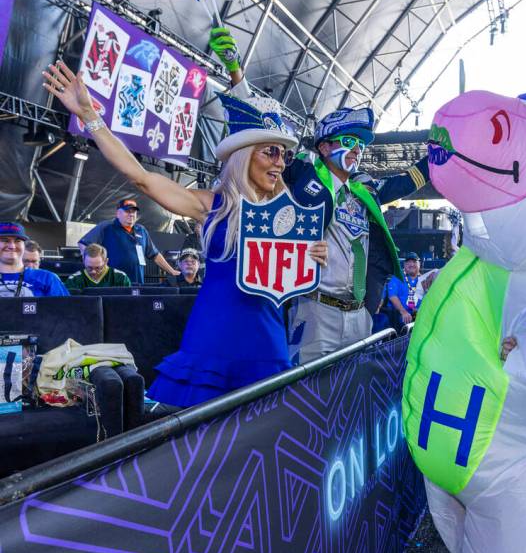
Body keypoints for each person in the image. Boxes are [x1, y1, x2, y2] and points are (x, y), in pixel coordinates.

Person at [43, 59, 328, 407]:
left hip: (267, 338)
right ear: (243, 156)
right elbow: (142, 178)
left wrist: (312, 257)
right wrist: (89, 115)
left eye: (283, 154)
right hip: (213, 334)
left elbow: (293, 277)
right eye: (270, 151)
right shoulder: (214, 204)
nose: (280, 162)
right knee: (198, 440)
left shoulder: (288, 213)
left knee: (264, 435)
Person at [209, 26, 430, 363]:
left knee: (351, 398)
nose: (357, 151)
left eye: (361, 145)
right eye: (350, 142)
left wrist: (438, 159)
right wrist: (236, 72)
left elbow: (403, 183)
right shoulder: (304, 172)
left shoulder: (364, 189)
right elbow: (263, 129)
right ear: (325, 146)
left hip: (360, 314)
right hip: (316, 310)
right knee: (310, 398)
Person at [79, 198, 180, 285]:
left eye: (134, 212)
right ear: (118, 213)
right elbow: (83, 244)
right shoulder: (106, 227)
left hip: (137, 283)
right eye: (127, 211)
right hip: (113, 284)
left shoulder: (141, 230)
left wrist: (171, 271)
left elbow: (155, 255)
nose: (131, 214)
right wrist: (93, 268)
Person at [0, 222, 68, 297]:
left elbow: (66, 307)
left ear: (23, 245)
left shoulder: (48, 278)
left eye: (17, 241)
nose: (12, 246)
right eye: (4, 240)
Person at [65, 243, 131, 290]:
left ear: (106, 261)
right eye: (89, 268)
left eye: (98, 268)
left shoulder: (121, 278)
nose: (93, 272)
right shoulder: (74, 280)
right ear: (83, 260)